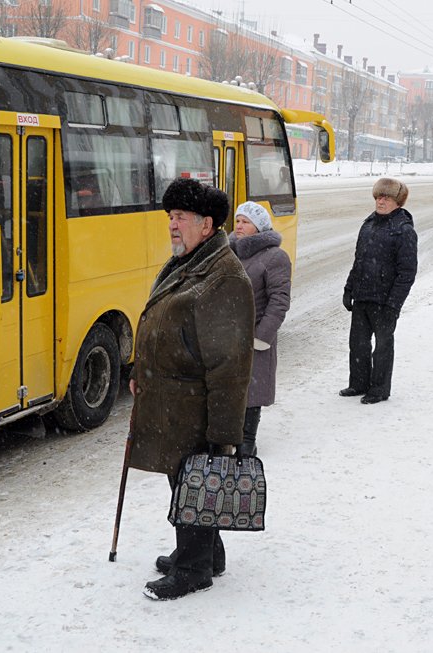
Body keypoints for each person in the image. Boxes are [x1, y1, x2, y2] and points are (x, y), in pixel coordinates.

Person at [128, 178, 255, 601]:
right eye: (170, 217)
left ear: (207, 225)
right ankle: (206, 553)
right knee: (185, 480)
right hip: (171, 402)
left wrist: (224, 435)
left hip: (196, 405)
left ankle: (194, 568)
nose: (172, 225)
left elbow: (229, 366)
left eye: (180, 217)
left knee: (194, 480)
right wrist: (140, 367)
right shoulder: (189, 261)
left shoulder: (224, 277)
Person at [340, 178, 417, 404]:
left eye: (386, 198)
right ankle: (359, 383)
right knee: (358, 344)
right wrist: (349, 288)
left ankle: (380, 389)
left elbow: (407, 273)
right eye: (378, 197)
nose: (380, 202)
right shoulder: (368, 225)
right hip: (363, 295)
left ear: (397, 201)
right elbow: (359, 260)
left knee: (382, 346)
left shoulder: (403, 231)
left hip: (384, 301)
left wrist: (393, 305)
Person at [229, 201, 292, 457]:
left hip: (255, 335)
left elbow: (279, 301)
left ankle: (246, 443)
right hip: (226, 337)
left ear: (259, 226)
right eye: (238, 220)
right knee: (229, 390)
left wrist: (261, 337)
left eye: (245, 222)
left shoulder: (274, 256)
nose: (239, 225)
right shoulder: (229, 252)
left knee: (252, 393)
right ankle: (230, 437)